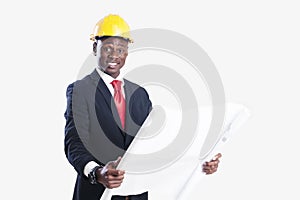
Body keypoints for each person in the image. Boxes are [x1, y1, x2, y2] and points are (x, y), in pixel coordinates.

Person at [64, 14, 222, 200]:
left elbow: (157, 144)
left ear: (127, 53)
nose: (114, 55)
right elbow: (74, 143)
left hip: (136, 195)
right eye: (108, 48)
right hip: (97, 194)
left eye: (121, 49)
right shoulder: (80, 90)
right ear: (94, 48)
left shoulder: (139, 94)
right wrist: (97, 172)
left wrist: (200, 162)